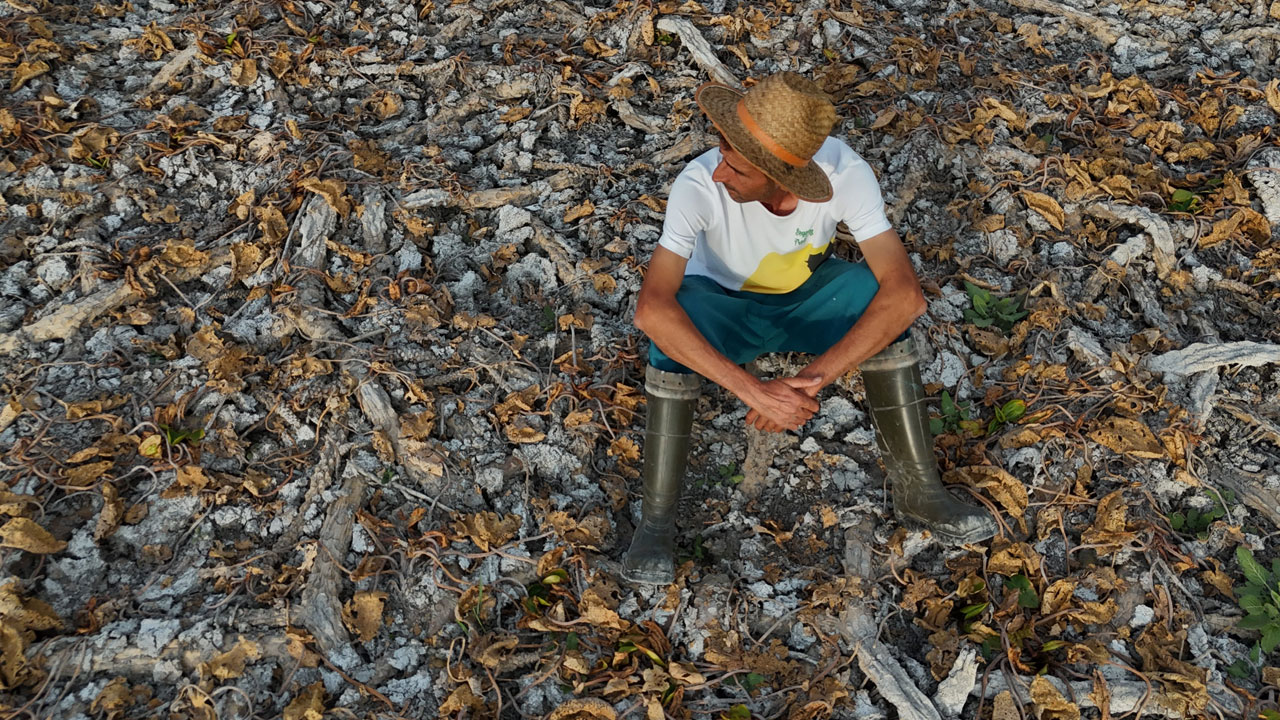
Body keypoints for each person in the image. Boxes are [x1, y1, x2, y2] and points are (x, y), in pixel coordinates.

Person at [622, 72, 999, 585]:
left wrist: (811, 382)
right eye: (722, 154)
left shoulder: (845, 174)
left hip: (805, 300)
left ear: (780, 175)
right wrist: (755, 392)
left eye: (735, 166)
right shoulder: (697, 184)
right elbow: (650, 308)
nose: (718, 173)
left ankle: (920, 491)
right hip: (723, 307)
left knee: (873, 295)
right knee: (672, 326)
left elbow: (905, 294)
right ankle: (657, 523)